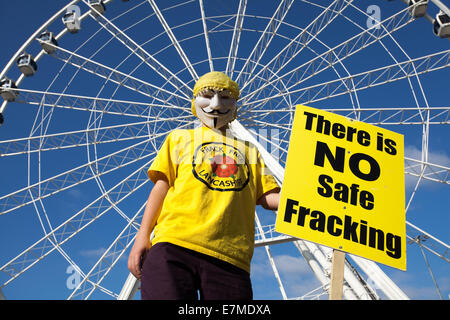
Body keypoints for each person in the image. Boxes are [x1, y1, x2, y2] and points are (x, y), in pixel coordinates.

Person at [128, 71, 280, 300]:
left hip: (231, 255)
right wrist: (142, 235)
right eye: (207, 96)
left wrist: (313, 199)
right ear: (194, 101)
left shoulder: (251, 151)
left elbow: (269, 196)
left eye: (226, 98)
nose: (216, 104)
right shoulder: (179, 138)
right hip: (174, 242)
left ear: (236, 104)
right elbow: (161, 187)